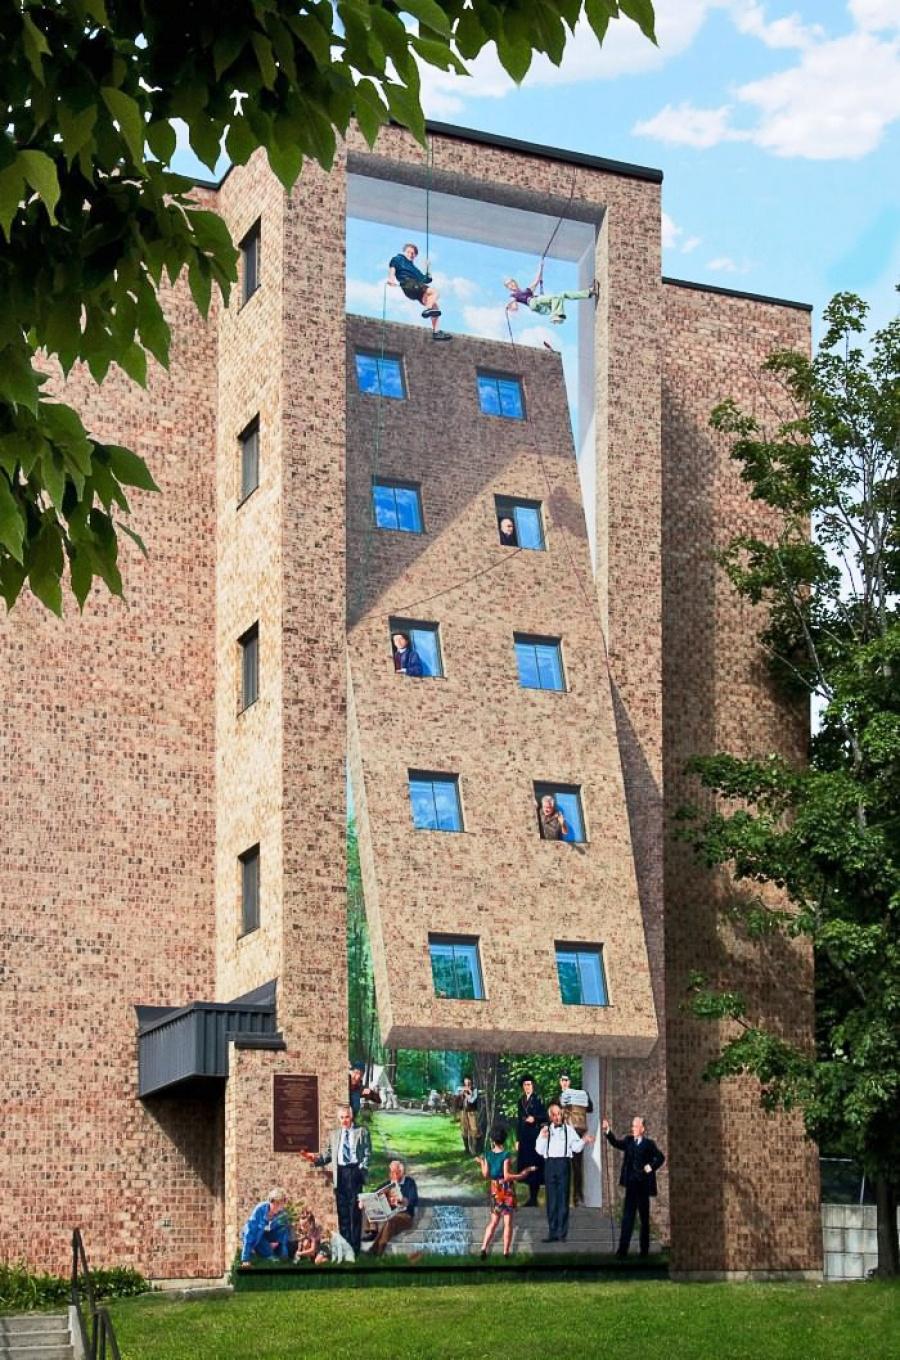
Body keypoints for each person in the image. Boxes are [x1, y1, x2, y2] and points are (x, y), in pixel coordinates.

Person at [301, 1105, 371, 1253]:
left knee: (354, 1213)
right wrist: (314, 1159)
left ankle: (355, 1249)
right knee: (343, 1213)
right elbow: (327, 1155)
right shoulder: (334, 1135)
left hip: (354, 1172)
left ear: (351, 1117)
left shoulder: (361, 1132)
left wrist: (361, 1168)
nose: (344, 1120)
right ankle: (346, 1248)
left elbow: (367, 1153)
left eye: (347, 1117)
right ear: (338, 1119)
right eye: (342, 1117)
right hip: (340, 1175)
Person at [602, 1115, 666, 1258]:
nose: (633, 1128)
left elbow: (661, 1157)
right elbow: (616, 1143)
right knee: (627, 1218)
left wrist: (651, 1167)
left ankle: (644, 1251)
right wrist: (608, 1131)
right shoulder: (628, 1141)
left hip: (643, 1186)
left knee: (644, 1219)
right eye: (633, 1126)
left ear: (642, 1129)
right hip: (631, 1185)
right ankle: (622, 1251)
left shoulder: (649, 1144)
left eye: (636, 1126)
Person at [535, 1104, 594, 1243]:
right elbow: (539, 1150)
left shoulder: (569, 1130)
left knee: (563, 1198)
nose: (557, 1117)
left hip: (563, 1164)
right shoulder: (545, 1130)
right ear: (550, 1117)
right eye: (554, 1115)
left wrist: (584, 1140)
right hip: (550, 1165)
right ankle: (552, 1233)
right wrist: (543, 1138)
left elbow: (576, 1148)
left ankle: (562, 1233)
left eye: (559, 1114)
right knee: (551, 1200)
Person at [476, 1124, 535, 1259]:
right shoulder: (506, 1154)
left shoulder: (487, 1154)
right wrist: (523, 1174)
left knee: (493, 1221)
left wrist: (482, 1162)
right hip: (506, 1190)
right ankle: (506, 1252)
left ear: (492, 1140)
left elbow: (485, 1174)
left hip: (495, 1189)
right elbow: (507, 1176)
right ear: (504, 1139)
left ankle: (484, 1247)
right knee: (507, 1223)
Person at [387, 242, 451, 341]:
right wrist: (391, 279)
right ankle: (427, 309)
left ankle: (436, 332)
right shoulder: (399, 259)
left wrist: (428, 268)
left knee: (435, 307)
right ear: (404, 252)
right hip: (409, 284)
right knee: (435, 292)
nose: (410, 254)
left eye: (413, 254)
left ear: (415, 256)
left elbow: (426, 280)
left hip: (416, 291)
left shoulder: (414, 269)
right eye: (408, 252)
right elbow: (393, 267)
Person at [504, 269, 600, 326]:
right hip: (533, 302)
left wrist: (541, 267)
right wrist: (509, 307)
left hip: (540, 304)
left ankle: (589, 292)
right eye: (509, 285)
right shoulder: (513, 296)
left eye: (512, 283)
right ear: (508, 288)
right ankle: (555, 316)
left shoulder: (527, 290)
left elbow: (536, 280)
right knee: (554, 298)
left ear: (515, 282)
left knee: (562, 295)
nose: (512, 285)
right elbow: (515, 307)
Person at [365, 1159, 419, 1256]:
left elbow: (414, 1200)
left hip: (404, 1216)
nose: (392, 1175)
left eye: (395, 1172)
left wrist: (403, 1200)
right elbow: (374, 1194)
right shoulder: (388, 1183)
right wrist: (364, 1201)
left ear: (401, 1172)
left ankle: (377, 1250)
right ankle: (372, 1232)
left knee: (390, 1222)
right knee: (371, 1201)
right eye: (391, 1172)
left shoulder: (409, 1183)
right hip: (388, 1213)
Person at [558, 1071, 594, 1205]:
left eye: (567, 1080)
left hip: (576, 1132)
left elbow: (590, 1108)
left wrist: (581, 1099)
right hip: (562, 1134)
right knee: (563, 1165)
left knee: (577, 1165)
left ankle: (577, 1195)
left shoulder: (579, 1095)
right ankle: (564, 1195)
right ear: (560, 1082)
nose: (564, 1082)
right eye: (562, 1080)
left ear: (570, 1082)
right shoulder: (558, 1098)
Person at [238, 1187, 292, 1267]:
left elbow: (284, 1232)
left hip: (270, 1237)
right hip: (257, 1236)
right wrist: (245, 1258)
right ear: (271, 1201)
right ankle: (258, 1250)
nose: (279, 1207)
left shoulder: (283, 1214)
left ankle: (270, 1253)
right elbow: (249, 1232)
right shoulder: (260, 1210)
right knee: (268, 1253)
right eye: (277, 1204)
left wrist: (278, 1244)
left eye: (281, 1204)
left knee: (282, 1256)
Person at [515, 1074, 547, 1207]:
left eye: (529, 1084)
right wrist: (517, 1139)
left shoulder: (538, 1099)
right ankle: (531, 1197)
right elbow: (518, 1120)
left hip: (535, 1136)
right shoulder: (520, 1100)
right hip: (524, 1137)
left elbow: (545, 1116)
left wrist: (535, 1119)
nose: (527, 1087)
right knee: (526, 1164)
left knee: (535, 1164)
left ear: (533, 1086)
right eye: (525, 1085)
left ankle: (534, 1197)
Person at [457, 1075, 482, 1155]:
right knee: (464, 1130)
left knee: (474, 1130)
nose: (467, 1084)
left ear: (471, 1082)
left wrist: (468, 1093)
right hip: (463, 1112)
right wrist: (461, 1093)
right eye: (466, 1082)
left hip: (472, 1112)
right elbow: (457, 1097)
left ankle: (475, 1149)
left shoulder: (475, 1090)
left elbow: (472, 1100)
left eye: (468, 1082)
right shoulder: (462, 1089)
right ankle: (467, 1149)